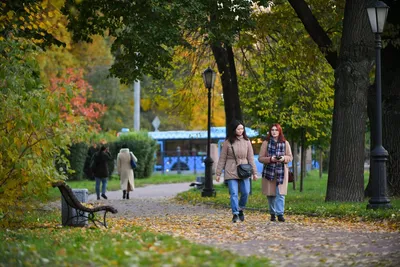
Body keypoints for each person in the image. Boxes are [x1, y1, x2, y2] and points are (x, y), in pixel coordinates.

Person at [216, 120, 258, 223]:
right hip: (231, 169)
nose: (241, 131)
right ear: (234, 130)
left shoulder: (247, 141)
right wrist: (218, 173)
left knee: (246, 192)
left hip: (244, 169)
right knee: (234, 193)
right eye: (238, 129)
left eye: (242, 129)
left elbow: (251, 158)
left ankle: (241, 209)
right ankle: (235, 214)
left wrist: (254, 172)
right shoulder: (227, 142)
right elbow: (222, 158)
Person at [258, 123, 293, 222]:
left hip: (281, 172)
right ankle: (272, 213)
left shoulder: (285, 143)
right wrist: (270, 159)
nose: (274, 132)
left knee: (280, 194)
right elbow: (260, 158)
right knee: (271, 194)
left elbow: (290, 157)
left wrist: (283, 158)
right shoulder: (266, 143)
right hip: (269, 171)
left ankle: (280, 214)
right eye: (272, 130)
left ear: (279, 131)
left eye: (276, 130)